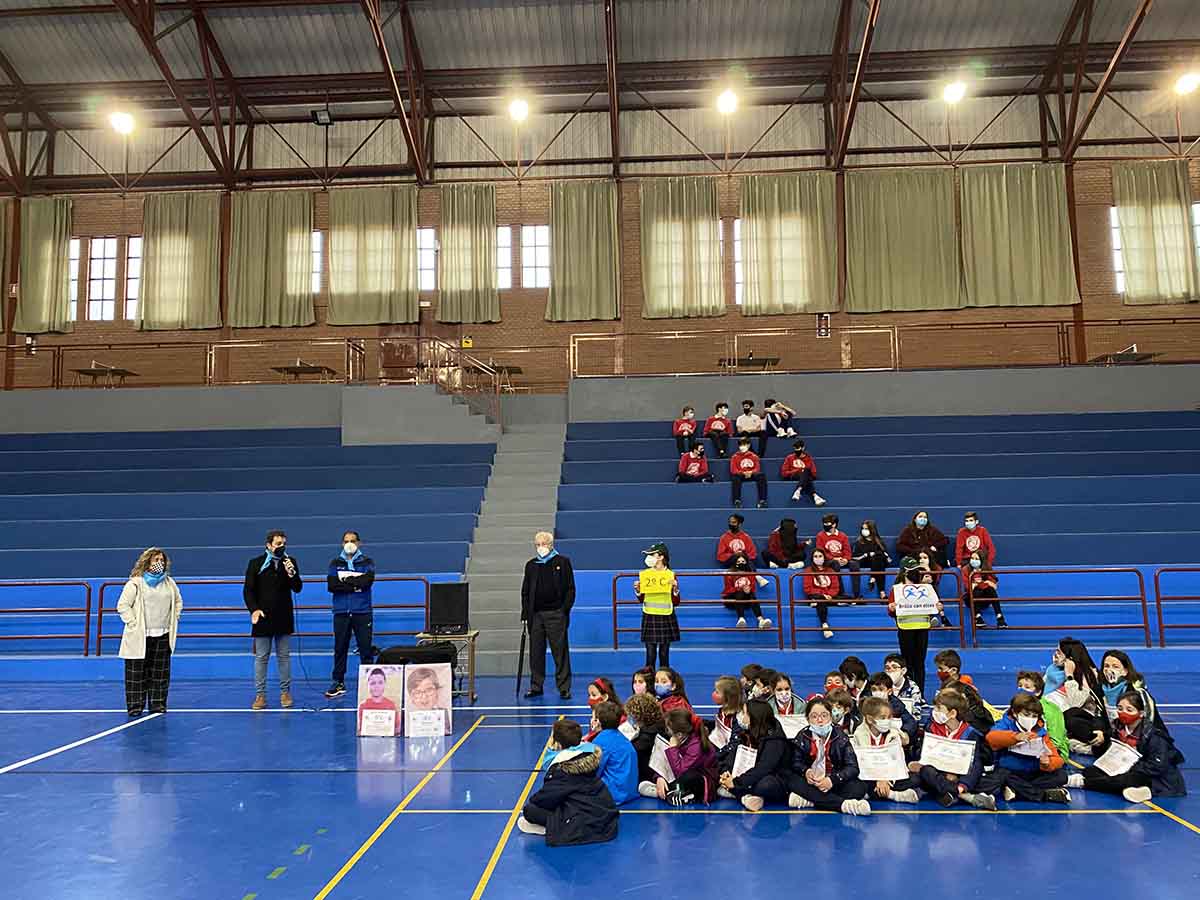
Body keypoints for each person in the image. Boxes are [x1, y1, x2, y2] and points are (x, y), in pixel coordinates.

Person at [1067, 691, 1186, 802]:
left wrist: (1130, 768)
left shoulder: (1154, 735)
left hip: (1153, 776)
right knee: (1092, 771)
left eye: (1129, 709)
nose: (1123, 713)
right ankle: (1139, 790)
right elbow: (1105, 753)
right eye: (1120, 708)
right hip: (1122, 767)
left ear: (1141, 713)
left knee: (1122, 780)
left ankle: (1082, 783)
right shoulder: (1117, 727)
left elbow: (1156, 766)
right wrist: (1101, 743)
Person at [517, 719, 618, 845]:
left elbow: (544, 798)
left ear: (558, 744)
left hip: (585, 823)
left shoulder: (562, 769)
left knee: (530, 810)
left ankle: (551, 828)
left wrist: (534, 801)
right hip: (603, 813)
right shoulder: (587, 755)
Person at [117, 547, 183, 717]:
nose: (159, 563)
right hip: (140, 636)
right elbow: (123, 606)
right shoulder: (135, 583)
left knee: (159, 673)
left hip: (163, 634)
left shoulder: (169, 583)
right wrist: (133, 623)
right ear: (147, 562)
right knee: (136, 672)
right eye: (156, 560)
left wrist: (174, 617)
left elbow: (178, 602)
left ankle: (157, 704)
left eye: (162, 560)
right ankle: (135, 706)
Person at [244, 530, 302, 710]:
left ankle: (285, 692)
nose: (281, 547)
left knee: (284, 657)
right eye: (278, 544)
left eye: (284, 543)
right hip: (263, 618)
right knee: (261, 657)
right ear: (268, 545)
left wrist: (291, 573)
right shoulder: (256, 563)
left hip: (283, 616)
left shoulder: (290, 562)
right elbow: (248, 590)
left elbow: (298, 587)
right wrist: (254, 609)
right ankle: (260, 695)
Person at [784, 696, 871, 815]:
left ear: (830, 717)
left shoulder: (841, 737)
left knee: (859, 787)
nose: (820, 720)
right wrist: (806, 771)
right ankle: (845, 805)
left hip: (833, 782)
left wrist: (832, 780)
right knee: (791, 780)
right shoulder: (802, 736)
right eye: (814, 716)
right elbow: (795, 762)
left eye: (824, 715)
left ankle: (811, 801)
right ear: (808, 719)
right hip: (811, 783)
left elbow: (853, 768)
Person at [909, 688, 995, 809]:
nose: (934, 712)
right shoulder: (931, 728)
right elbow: (925, 753)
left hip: (959, 775)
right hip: (937, 772)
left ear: (953, 714)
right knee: (924, 772)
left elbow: (975, 763)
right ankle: (965, 796)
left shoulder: (970, 733)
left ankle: (950, 792)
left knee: (983, 775)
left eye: (939, 709)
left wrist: (962, 784)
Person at [520, 531, 576, 700]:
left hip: (556, 614)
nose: (540, 547)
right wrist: (525, 613)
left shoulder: (563, 562)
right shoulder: (531, 565)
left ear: (551, 545)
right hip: (535, 616)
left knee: (560, 652)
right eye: (537, 544)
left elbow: (570, 589)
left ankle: (564, 687)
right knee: (536, 653)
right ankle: (536, 685)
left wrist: (563, 610)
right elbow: (525, 592)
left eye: (543, 544)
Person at [987, 693, 1071, 804]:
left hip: (1033, 773)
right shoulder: (1005, 724)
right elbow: (991, 738)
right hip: (1011, 772)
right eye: (1026, 714)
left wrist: (1048, 763)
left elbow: (1057, 759)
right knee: (1002, 776)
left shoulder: (1041, 732)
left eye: (1034, 716)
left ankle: (1016, 790)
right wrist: (1016, 737)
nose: (1030, 719)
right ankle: (1045, 795)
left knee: (1061, 776)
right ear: (1015, 713)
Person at [324, 530, 376, 700]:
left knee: (365, 648)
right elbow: (332, 586)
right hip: (341, 613)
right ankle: (338, 682)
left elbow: (367, 582)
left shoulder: (367, 562)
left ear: (359, 543)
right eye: (346, 540)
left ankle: (369, 684)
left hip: (362, 612)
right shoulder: (335, 562)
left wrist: (345, 581)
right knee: (340, 648)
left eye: (353, 540)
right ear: (342, 543)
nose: (349, 543)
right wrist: (355, 584)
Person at [718, 699, 793, 811]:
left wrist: (736, 783)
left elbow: (764, 768)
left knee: (765, 785)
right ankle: (746, 795)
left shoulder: (775, 740)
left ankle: (741, 794)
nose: (742, 717)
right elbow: (734, 754)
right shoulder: (747, 731)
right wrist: (726, 771)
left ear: (755, 717)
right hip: (748, 773)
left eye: (745, 713)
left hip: (775, 778)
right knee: (716, 767)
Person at [886, 556, 943, 694]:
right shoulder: (897, 589)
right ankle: (909, 693)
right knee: (908, 664)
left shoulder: (925, 588)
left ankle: (920, 694)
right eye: (913, 570)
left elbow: (933, 606)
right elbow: (891, 611)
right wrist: (892, 608)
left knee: (920, 664)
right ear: (905, 572)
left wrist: (938, 607)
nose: (916, 572)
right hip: (905, 628)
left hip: (922, 628)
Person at [642, 708, 718, 806]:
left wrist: (673, 749)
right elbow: (661, 759)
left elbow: (680, 772)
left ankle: (664, 791)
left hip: (703, 781)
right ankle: (668, 788)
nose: (667, 731)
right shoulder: (680, 737)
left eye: (668, 729)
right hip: (682, 769)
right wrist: (659, 777)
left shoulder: (696, 747)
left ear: (679, 734)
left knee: (688, 777)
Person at [851, 696, 920, 804]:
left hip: (890, 776)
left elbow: (898, 761)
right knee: (857, 785)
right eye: (882, 718)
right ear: (870, 719)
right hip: (869, 776)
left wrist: (886, 780)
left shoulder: (893, 733)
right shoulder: (860, 734)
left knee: (915, 779)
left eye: (889, 717)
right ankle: (894, 795)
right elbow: (863, 763)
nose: (887, 721)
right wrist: (878, 779)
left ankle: (874, 793)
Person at [1059, 637, 1109, 755]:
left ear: (1070, 658)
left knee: (1070, 717)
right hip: (1073, 717)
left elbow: (1075, 702)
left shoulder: (1089, 675)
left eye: (1059, 652)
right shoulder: (1054, 671)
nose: (1055, 655)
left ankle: (1096, 745)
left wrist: (1070, 676)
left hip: (1094, 721)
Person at [635, 543, 681, 670]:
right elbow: (641, 598)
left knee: (664, 653)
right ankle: (649, 681)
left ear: (661, 557)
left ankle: (664, 679)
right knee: (650, 654)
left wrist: (675, 589)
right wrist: (638, 590)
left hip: (666, 616)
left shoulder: (670, 575)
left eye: (652, 554)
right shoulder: (645, 575)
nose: (649, 557)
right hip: (649, 615)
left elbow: (676, 602)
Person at [1100, 650, 1165, 733]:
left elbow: (1149, 718)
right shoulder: (1099, 688)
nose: (1110, 670)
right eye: (1106, 666)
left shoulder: (1137, 691)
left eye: (1115, 666)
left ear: (1125, 671)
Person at [590, 701, 639, 805]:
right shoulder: (621, 736)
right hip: (631, 791)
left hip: (614, 794)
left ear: (598, 722)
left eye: (593, 717)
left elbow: (595, 771)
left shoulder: (600, 741)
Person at [1016, 670, 1069, 761]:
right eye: (1020, 686)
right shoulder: (1016, 707)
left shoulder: (1051, 710)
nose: (1021, 690)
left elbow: (1057, 741)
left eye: (1027, 687)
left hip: (1052, 751)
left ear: (1038, 691)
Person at [863, 672, 920, 753]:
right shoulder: (866, 705)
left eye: (881, 689)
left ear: (889, 691)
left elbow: (910, 722)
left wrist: (905, 732)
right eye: (874, 689)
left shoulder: (897, 706)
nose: (877, 692)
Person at [625, 693, 669, 783]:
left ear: (639, 715)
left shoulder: (647, 736)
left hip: (646, 778)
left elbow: (628, 752)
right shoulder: (661, 725)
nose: (628, 718)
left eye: (630, 714)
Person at [814, 514, 860, 599]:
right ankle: (840, 593)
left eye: (827, 523)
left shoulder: (843, 536)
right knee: (835, 564)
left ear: (834, 524)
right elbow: (820, 552)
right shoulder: (820, 536)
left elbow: (847, 551)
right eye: (824, 523)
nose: (825, 525)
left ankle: (856, 595)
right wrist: (834, 558)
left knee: (854, 564)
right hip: (829, 560)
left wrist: (846, 559)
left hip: (842, 559)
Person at [722, 555, 772, 629]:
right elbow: (728, 589)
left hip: (746, 600)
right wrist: (740, 589)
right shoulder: (729, 573)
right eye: (738, 561)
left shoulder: (750, 574)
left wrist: (748, 590)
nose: (741, 563)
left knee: (751, 594)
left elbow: (753, 588)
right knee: (740, 593)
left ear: (746, 562)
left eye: (743, 561)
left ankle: (761, 620)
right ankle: (741, 619)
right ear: (735, 562)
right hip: (732, 600)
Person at [963, 549, 1008, 629]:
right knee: (976, 590)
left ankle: (1000, 617)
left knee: (991, 590)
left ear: (982, 560)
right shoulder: (966, 569)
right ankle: (978, 617)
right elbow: (968, 587)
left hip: (984, 599)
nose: (973, 561)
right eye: (972, 558)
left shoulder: (987, 568)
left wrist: (981, 583)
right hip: (970, 599)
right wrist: (984, 583)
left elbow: (994, 585)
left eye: (976, 559)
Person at [803, 548, 838, 639]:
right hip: (816, 596)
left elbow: (835, 587)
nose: (818, 558)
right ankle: (825, 625)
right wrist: (823, 595)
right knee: (820, 599)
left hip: (829, 596)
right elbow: (808, 588)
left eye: (820, 556)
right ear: (812, 558)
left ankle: (840, 602)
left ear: (824, 557)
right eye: (815, 556)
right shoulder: (808, 570)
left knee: (849, 598)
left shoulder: (830, 570)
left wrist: (830, 595)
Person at [779, 439, 826, 507]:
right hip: (794, 476)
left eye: (798, 448)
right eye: (795, 448)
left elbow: (814, 473)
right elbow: (784, 473)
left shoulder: (808, 458)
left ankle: (798, 490)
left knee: (806, 472)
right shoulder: (789, 458)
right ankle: (815, 496)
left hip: (806, 476)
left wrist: (803, 470)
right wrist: (798, 470)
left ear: (803, 448)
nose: (796, 450)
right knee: (805, 473)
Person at [883, 653, 927, 725]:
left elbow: (916, 716)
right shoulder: (882, 685)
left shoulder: (913, 688)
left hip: (906, 724)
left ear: (903, 671)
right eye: (887, 668)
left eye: (894, 667)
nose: (891, 671)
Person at [406, 665, 451, 734]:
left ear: (437, 691)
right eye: (417, 692)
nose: (424, 697)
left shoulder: (445, 716)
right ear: (411, 696)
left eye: (429, 690)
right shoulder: (406, 720)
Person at [853, 520, 892, 599]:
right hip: (865, 562)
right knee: (878, 559)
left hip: (879, 562)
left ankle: (873, 578)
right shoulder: (858, 542)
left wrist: (875, 554)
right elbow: (855, 557)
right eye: (863, 529)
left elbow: (886, 555)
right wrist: (866, 555)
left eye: (866, 529)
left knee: (878, 557)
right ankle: (882, 592)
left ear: (872, 530)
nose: (864, 531)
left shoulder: (879, 541)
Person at [357, 667, 400, 736]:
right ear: (367, 685)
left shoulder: (391, 705)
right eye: (373, 683)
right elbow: (360, 729)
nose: (376, 686)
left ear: (385, 684)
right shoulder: (362, 706)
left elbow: (397, 728)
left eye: (380, 683)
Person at [729, 437, 768, 509]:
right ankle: (737, 500)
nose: (742, 446)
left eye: (745, 444)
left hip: (752, 474)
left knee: (761, 476)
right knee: (735, 477)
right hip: (741, 475)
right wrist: (743, 473)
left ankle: (762, 500)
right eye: (741, 444)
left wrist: (751, 472)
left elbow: (757, 468)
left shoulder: (754, 456)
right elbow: (733, 470)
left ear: (749, 445)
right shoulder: (734, 457)